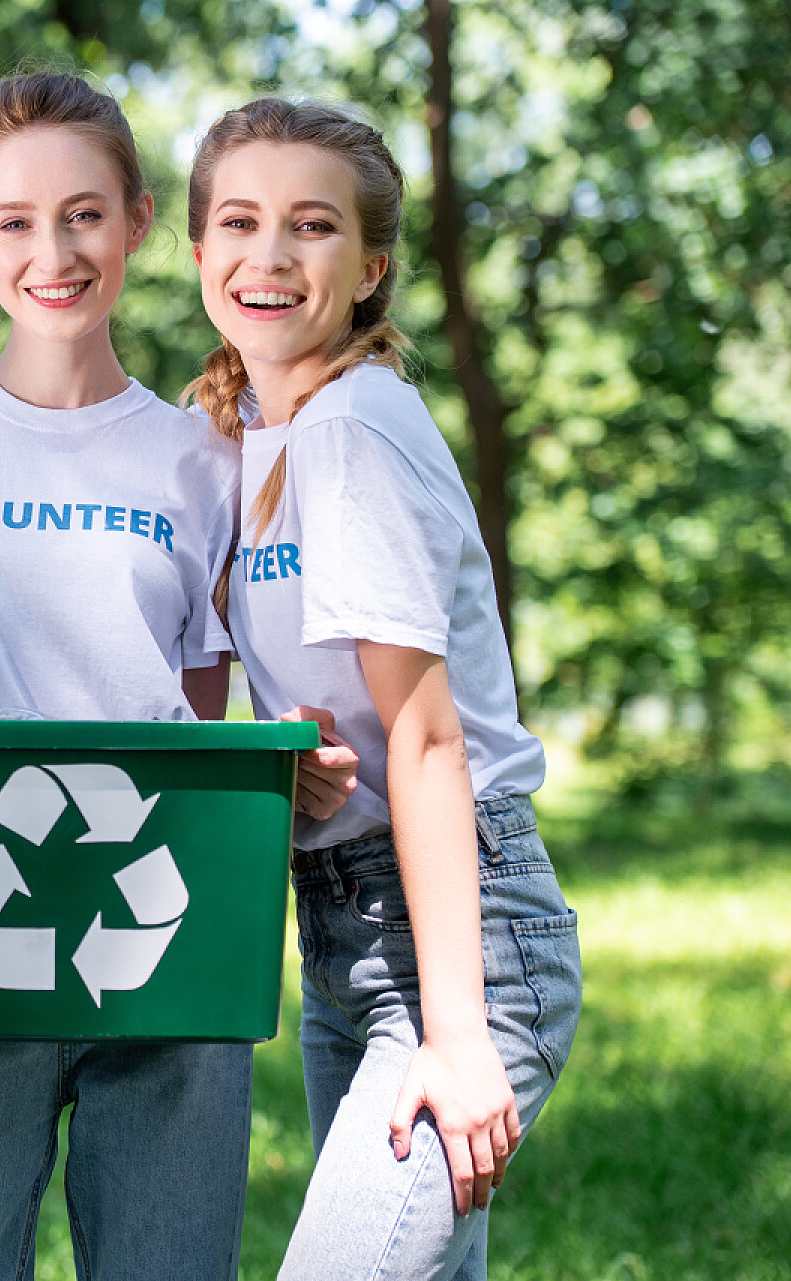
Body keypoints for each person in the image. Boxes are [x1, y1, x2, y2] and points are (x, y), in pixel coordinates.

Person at [0, 71, 352, 1281]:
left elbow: (202, 714)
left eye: (85, 213)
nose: (56, 250)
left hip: (164, 945)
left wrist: (288, 761)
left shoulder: (212, 449)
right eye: (17, 220)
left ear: (141, 221)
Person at [182, 96, 583, 1278]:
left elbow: (428, 741)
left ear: (370, 270)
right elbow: (346, 705)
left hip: (459, 938)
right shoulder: (252, 430)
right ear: (199, 252)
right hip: (345, 922)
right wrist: (290, 755)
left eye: (312, 227)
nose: (270, 255)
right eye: (241, 223)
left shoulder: (351, 426)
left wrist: (459, 1035)